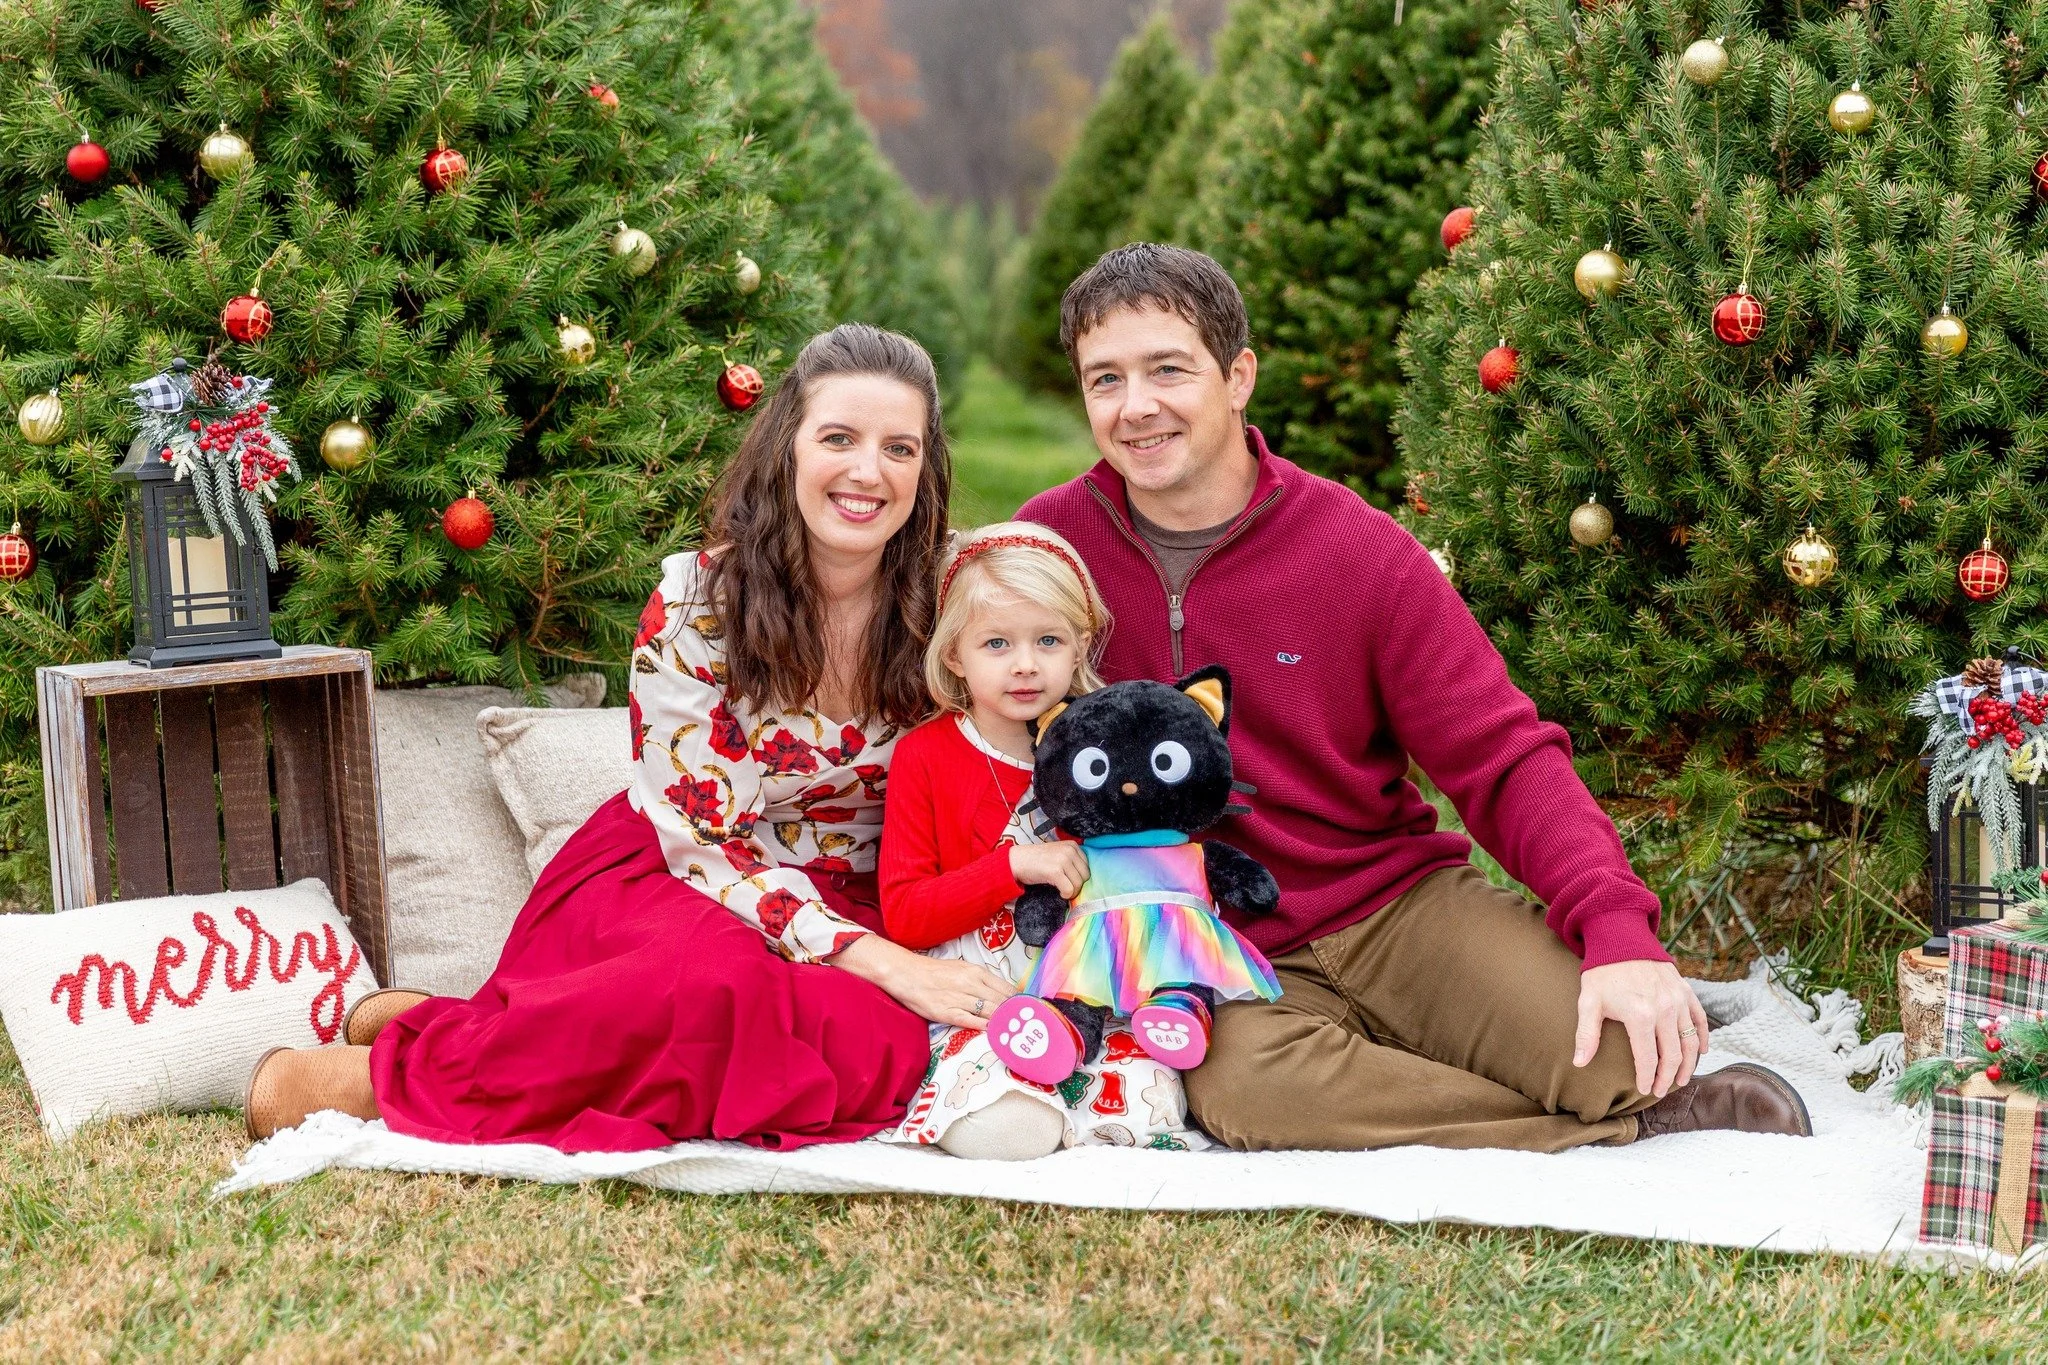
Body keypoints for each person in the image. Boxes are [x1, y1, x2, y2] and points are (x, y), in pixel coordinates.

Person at [1018, 244, 1812, 1151]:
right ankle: (1618, 1128)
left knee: (1619, 1048)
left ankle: (1612, 1093)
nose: (1136, 407)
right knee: (1252, 1094)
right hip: (1211, 948)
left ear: (1238, 376)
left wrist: (1617, 928)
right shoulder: (1047, 548)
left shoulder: (1356, 551)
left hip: (1395, 906)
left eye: (1168, 369)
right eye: (1105, 380)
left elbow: (1502, 756)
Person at [245, 324, 1018, 1150]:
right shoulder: (698, 603)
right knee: (709, 996)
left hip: (870, 889)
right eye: (839, 438)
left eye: (899, 448)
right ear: (787, 446)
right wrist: (886, 961)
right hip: (689, 870)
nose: (869, 471)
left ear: (925, 468)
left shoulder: (961, 594)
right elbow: (705, 843)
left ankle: (453, 1023)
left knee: (878, 1048)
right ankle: (382, 1075)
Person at [875, 523, 1211, 1157]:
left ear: (1079, 643)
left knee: (1145, 1112)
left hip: (1096, 994)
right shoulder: (929, 754)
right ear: (955, 655)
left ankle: (1084, 1106)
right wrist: (1014, 866)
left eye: (1048, 640)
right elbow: (906, 913)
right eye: (996, 643)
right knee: (1009, 1128)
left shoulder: (1110, 745)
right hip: (984, 996)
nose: (1025, 664)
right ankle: (1025, 1106)